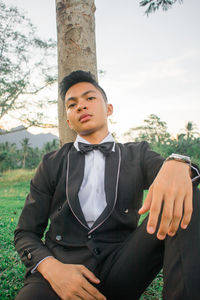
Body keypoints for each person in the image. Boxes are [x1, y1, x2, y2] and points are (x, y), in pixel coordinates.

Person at [14, 70, 200, 300]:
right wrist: (52, 268)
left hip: (122, 267)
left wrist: (178, 162)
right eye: (72, 105)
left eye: (89, 98)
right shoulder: (51, 162)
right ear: (69, 120)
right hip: (59, 269)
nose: (81, 106)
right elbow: (25, 233)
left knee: (188, 193)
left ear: (108, 108)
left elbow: (174, 175)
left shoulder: (137, 153)